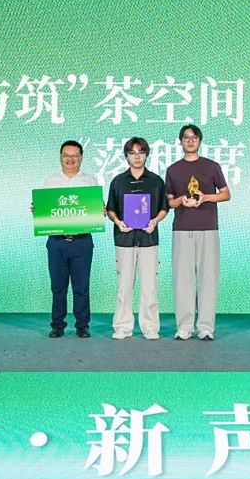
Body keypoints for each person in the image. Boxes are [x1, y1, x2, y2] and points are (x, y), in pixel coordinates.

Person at [164, 124, 230, 340]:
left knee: (208, 278)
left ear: (200, 141)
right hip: (182, 228)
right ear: (180, 141)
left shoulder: (211, 166)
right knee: (182, 279)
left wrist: (206, 197)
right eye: (186, 138)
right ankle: (184, 327)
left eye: (194, 138)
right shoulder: (173, 169)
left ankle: (205, 328)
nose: (190, 141)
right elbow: (169, 202)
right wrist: (181, 200)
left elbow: (226, 194)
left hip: (208, 227)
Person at [106, 137, 169, 340]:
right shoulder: (118, 181)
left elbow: (164, 208)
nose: (137, 157)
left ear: (146, 155)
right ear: (126, 156)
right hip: (124, 240)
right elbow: (111, 209)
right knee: (124, 286)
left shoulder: (156, 181)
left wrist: (155, 221)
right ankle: (122, 327)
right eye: (132, 153)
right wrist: (118, 222)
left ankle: (150, 327)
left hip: (149, 239)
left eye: (140, 152)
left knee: (149, 287)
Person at [41, 140, 97, 338]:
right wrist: (38, 210)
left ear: (81, 158)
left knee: (81, 286)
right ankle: (57, 325)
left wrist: (100, 210)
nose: (70, 159)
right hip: (57, 242)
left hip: (82, 241)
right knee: (58, 286)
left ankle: (82, 325)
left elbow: (94, 208)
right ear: (61, 157)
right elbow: (46, 210)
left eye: (75, 155)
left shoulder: (90, 181)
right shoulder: (51, 181)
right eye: (67, 155)